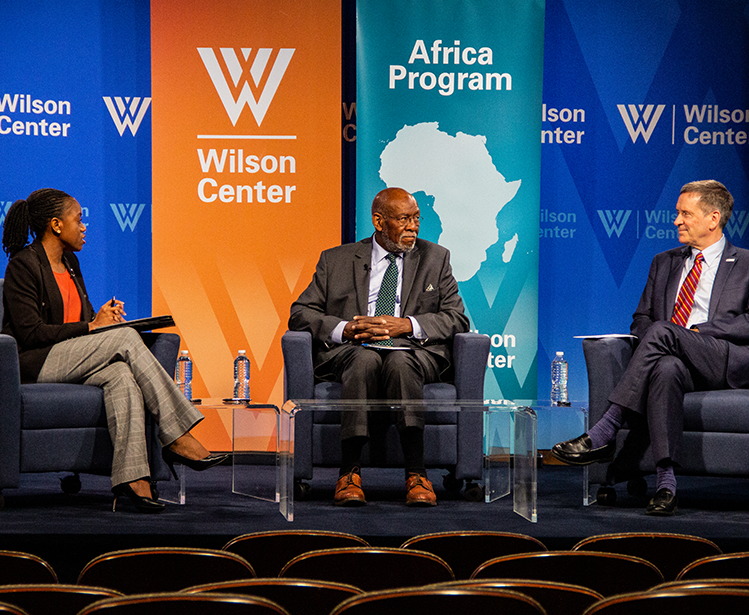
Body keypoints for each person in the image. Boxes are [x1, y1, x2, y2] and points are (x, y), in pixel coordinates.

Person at [1, 188, 228, 513]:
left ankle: (133, 479)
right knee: (124, 339)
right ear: (56, 224)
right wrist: (91, 328)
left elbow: (83, 319)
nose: (84, 226)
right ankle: (176, 433)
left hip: (73, 355)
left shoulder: (71, 262)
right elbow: (30, 332)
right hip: (35, 362)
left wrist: (99, 319)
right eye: (78, 220)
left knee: (122, 374)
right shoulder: (24, 265)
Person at [552, 180, 749, 516]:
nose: (677, 221)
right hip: (673, 360)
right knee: (665, 367)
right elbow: (640, 319)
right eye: (677, 213)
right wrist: (662, 340)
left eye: (686, 214)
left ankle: (605, 428)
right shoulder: (664, 262)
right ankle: (666, 484)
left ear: (713, 219)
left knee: (663, 331)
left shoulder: (744, 263)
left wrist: (701, 330)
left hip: (720, 358)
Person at [289, 187, 469, 507]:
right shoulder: (336, 260)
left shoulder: (435, 257)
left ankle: (416, 474)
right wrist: (345, 329)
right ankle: (349, 473)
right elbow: (301, 313)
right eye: (404, 219)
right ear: (379, 222)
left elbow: (457, 318)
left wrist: (409, 324)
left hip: (415, 350)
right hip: (354, 349)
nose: (413, 226)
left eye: (416, 218)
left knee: (401, 364)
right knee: (364, 361)